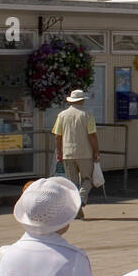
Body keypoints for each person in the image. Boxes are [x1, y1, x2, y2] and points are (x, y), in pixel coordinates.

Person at [53, 90, 100, 219]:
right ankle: (81, 198)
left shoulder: (62, 115)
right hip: (85, 152)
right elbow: (92, 135)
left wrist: (59, 152)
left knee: (72, 183)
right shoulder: (87, 115)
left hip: (68, 153)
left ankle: (76, 208)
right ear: (82, 100)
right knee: (88, 178)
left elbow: (57, 136)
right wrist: (96, 151)